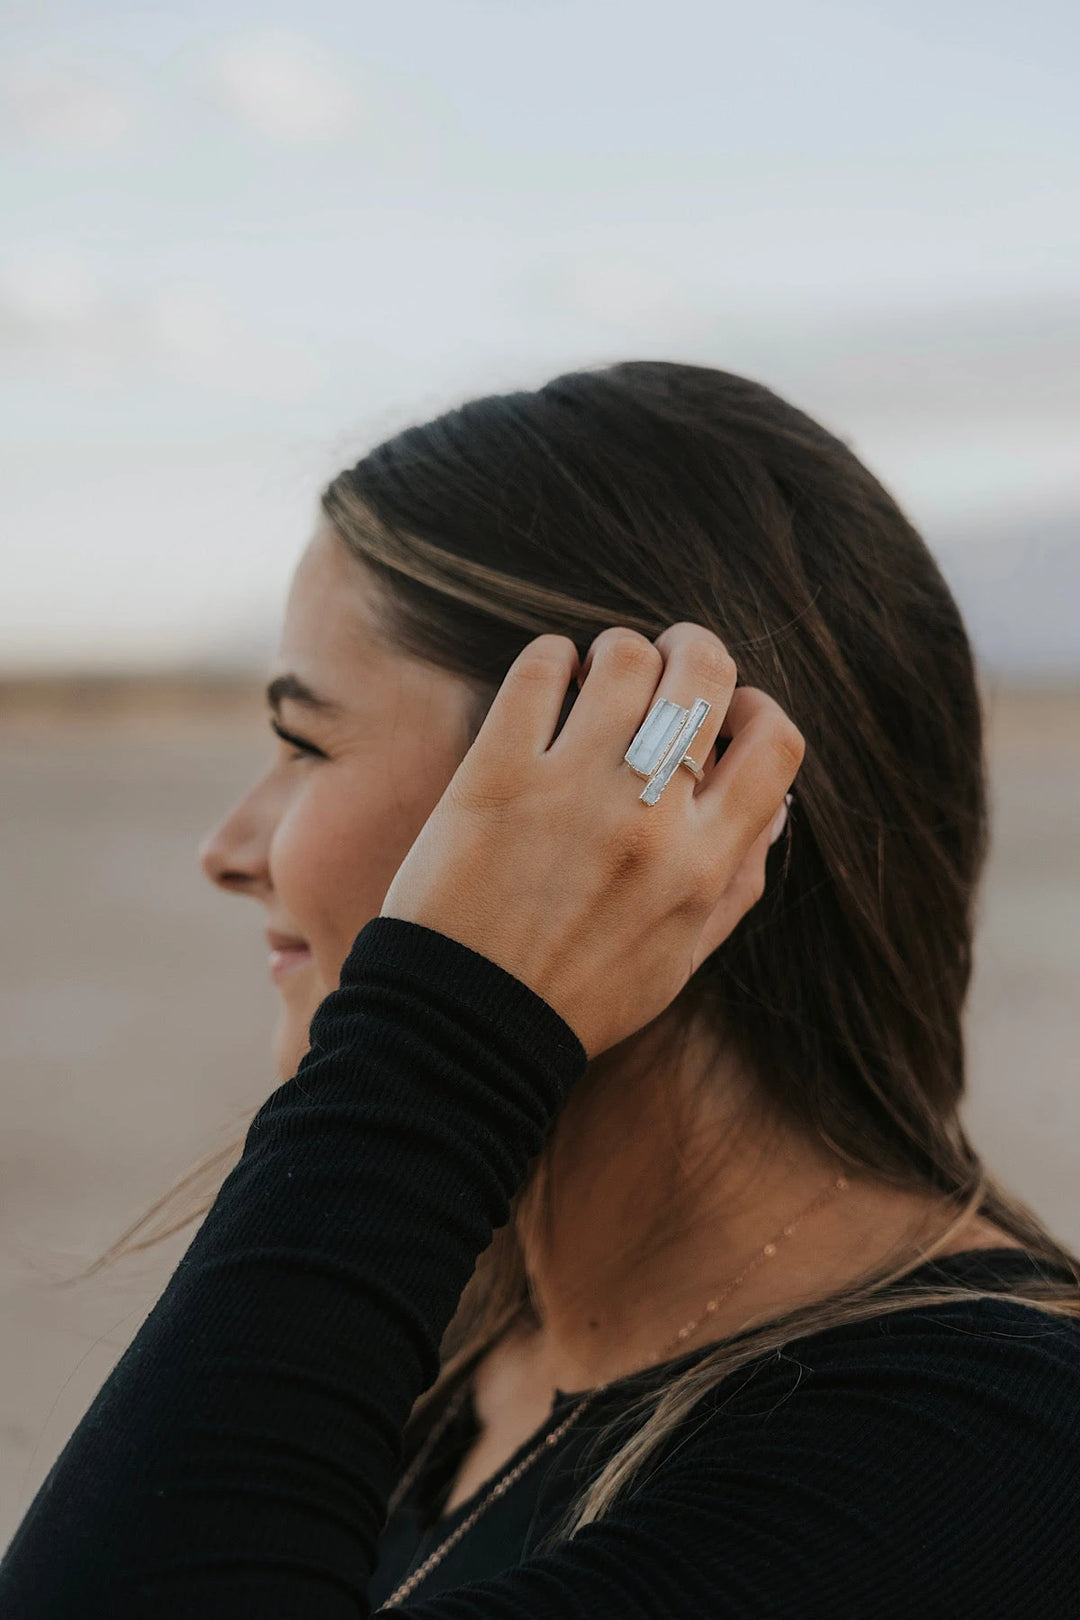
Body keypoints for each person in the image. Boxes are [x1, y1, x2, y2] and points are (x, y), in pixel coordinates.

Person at [1, 360, 1078, 1618]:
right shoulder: (466, 1351)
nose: (229, 847)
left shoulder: (983, 1457)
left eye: (305, 743)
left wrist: (443, 1034)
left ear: (645, 795)